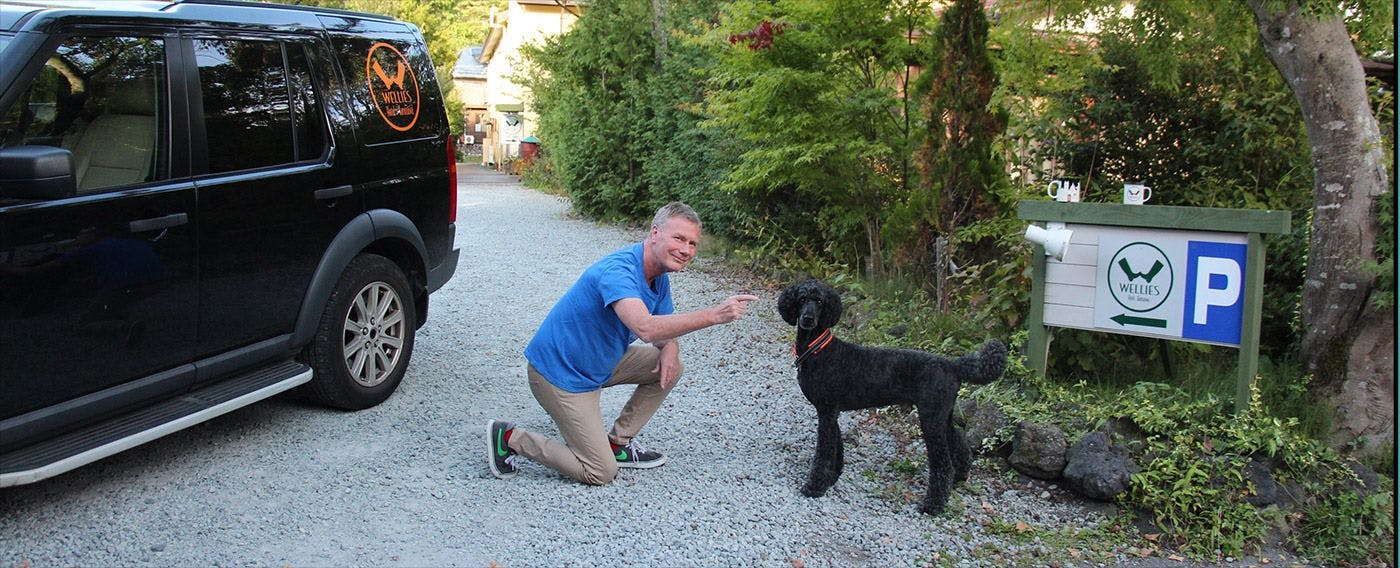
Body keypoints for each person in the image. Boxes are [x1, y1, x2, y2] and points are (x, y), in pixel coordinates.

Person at [486, 202, 758, 485]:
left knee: (671, 366)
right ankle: (511, 438)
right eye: (679, 238)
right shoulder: (618, 271)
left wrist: (671, 348)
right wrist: (714, 315)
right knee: (599, 471)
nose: (686, 250)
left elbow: (664, 330)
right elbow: (646, 327)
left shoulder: (657, 277)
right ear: (655, 233)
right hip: (560, 376)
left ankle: (619, 442)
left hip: (599, 363)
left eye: (692, 243)